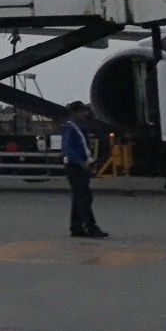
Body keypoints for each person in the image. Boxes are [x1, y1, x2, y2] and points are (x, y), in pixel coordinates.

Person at [62, 102, 106, 239]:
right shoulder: (71, 127)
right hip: (76, 166)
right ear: (74, 112)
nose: (84, 114)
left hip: (80, 165)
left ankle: (76, 227)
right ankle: (90, 227)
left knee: (79, 196)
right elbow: (66, 148)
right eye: (82, 111)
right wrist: (81, 162)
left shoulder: (79, 127)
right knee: (84, 197)